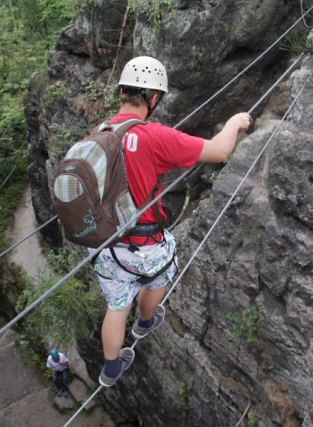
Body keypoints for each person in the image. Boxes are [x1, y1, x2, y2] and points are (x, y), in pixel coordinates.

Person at [92, 56, 252, 387]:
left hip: (105, 242)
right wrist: (235, 122)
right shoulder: (154, 136)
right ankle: (146, 322)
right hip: (144, 243)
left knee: (117, 305)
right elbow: (219, 151)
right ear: (153, 99)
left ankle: (110, 369)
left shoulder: (99, 132)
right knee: (160, 269)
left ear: (121, 91)